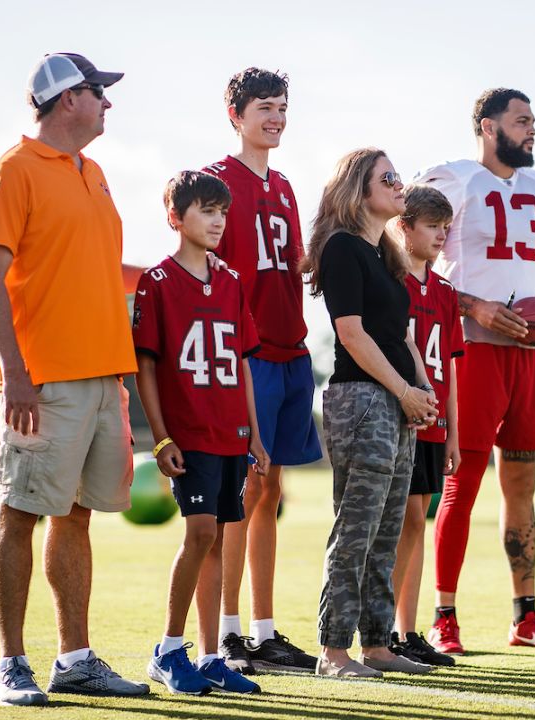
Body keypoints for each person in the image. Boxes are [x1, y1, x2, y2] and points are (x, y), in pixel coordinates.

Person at [0, 52, 150, 706]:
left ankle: (74, 659)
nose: (108, 103)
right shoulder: (14, 170)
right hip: (42, 381)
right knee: (20, 511)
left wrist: (175, 274)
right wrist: (15, 373)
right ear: (66, 98)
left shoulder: (94, 173)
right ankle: (10, 664)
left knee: (75, 517)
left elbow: (100, 270)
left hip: (105, 376)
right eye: (99, 92)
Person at [418, 88, 535, 654]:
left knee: (523, 482)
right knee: (462, 483)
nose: (533, 130)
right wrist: (476, 306)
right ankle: (444, 616)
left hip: (528, 353)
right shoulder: (456, 181)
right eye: (522, 120)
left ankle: (525, 617)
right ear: (488, 127)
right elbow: (412, 263)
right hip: (474, 350)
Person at [202, 67, 323, 675]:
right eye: (264, 108)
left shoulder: (286, 188)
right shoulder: (218, 181)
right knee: (241, 490)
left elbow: (294, 265)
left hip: (290, 347)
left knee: (271, 490)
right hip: (244, 355)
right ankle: (226, 633)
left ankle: (264, 629)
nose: (275, 118)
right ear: (236, 116)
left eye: (282, 107)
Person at [301, 148, 438, 678]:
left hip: (398, 400)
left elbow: (403, 335)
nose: (399, 184)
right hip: (361, 400)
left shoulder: (385, 253)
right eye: (389, 178)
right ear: (359, 190)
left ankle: (378, 646)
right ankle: (334, 652)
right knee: (356, 529)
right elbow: (351, 334)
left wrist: (421, 391)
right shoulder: (341, 248)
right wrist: (404, 390)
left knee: (386, 531)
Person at [133, 171, 269, 696]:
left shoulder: (231, 281)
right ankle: (168, 649)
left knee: (216, 541)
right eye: (205, 211)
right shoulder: (159, 281)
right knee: (201, 534)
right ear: (176, 218)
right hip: (190, 431)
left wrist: (255, 434)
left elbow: (242, 362)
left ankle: (211, 656)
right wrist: (162, 437)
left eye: (222, 212)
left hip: (231, 428)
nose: (217, 221)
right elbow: (146, 364)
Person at [387, 185, 463, 668]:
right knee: (402, 521)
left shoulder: (445, 293)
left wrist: (454, 431)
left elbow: (450, 366)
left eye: (445, 228)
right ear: (405, 226)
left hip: (434, 422)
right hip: (399, 413)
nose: (440, 235)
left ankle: (405, 630)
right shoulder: (390, 284)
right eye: (432, 226)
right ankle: (389, 629)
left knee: (417, 520)